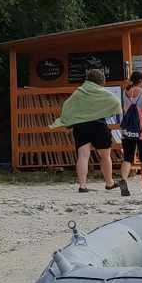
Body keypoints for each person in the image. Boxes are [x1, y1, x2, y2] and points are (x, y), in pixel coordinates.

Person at [53, 61, 131, 196]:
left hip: (81, 126)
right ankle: (109, 183)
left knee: (83, 156)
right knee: (105, 156)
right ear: (101, 81)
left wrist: (68, 123)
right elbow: (116, 103)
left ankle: (82, 185)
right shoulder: (102, 92)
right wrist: (113, 113)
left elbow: (67, 105)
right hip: (99, 125)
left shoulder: (79, 92)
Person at [117, 69, 142, 195]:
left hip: (128, 127)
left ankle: (123, 180)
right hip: (141, 128)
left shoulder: (125, 92)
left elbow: (124, 109)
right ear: (141, 81)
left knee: (128, 157)